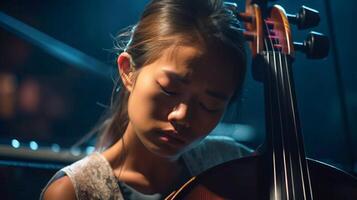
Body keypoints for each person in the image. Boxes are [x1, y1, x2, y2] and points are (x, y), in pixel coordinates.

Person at [41, 0, 251, 199]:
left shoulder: (232, 163)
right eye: (169, 90)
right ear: (128, 71)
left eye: (209, 105)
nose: (182, 116)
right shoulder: (74, 192)